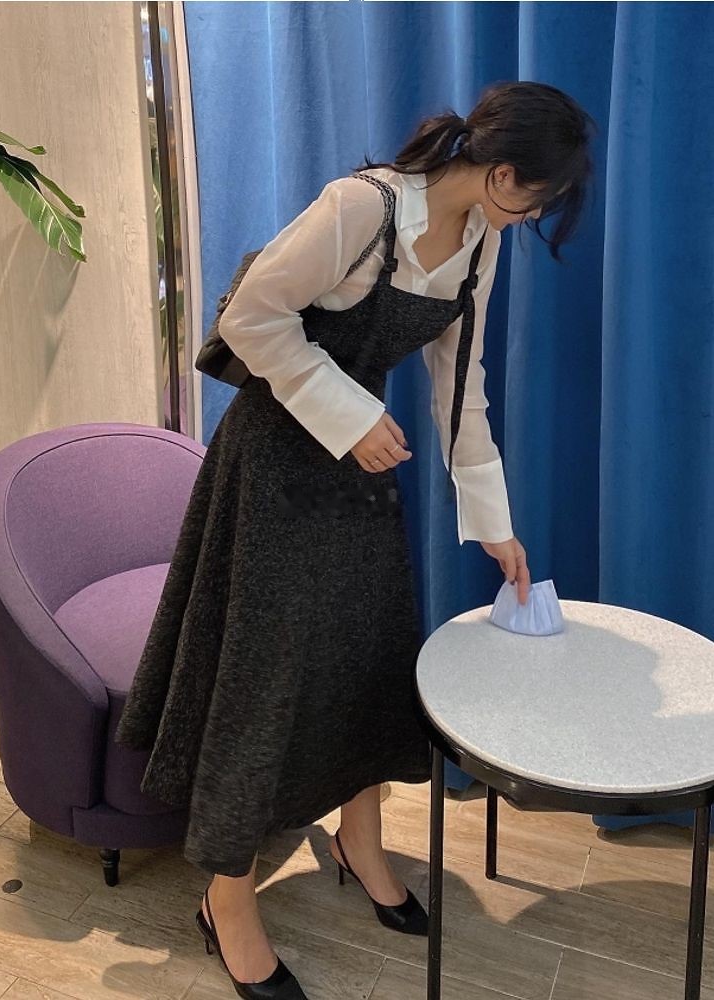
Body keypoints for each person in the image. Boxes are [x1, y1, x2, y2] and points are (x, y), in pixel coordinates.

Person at [114, 79, 596, 1000]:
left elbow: (462, 392)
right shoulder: (360, 208)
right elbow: (249, 317)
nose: (532, 217)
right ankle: (227, 899)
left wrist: (497, 529)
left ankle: (360, 842)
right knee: (264, 686)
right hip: (275, 465)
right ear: (502, 173)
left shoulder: (482, 243)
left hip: (359, 469)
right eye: (536, 199)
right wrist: (349, 414)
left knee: (367, 666)